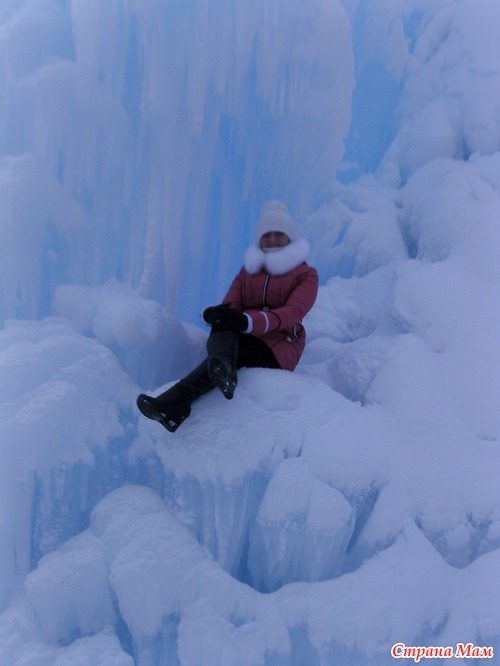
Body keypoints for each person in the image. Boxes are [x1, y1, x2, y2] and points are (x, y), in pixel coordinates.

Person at [137, 200, 319, 432]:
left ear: (289, 237)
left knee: (230, 349)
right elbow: (232, 301)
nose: (272, 239)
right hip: (245, 336)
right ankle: (221, 370)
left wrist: (248, 321)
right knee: (222, 323)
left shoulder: (306, 274)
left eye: (278, 234)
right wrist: (214, 313)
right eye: (267, 234)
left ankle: (176, 403)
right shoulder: (249, 270)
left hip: (280, 345)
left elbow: (293, 313)